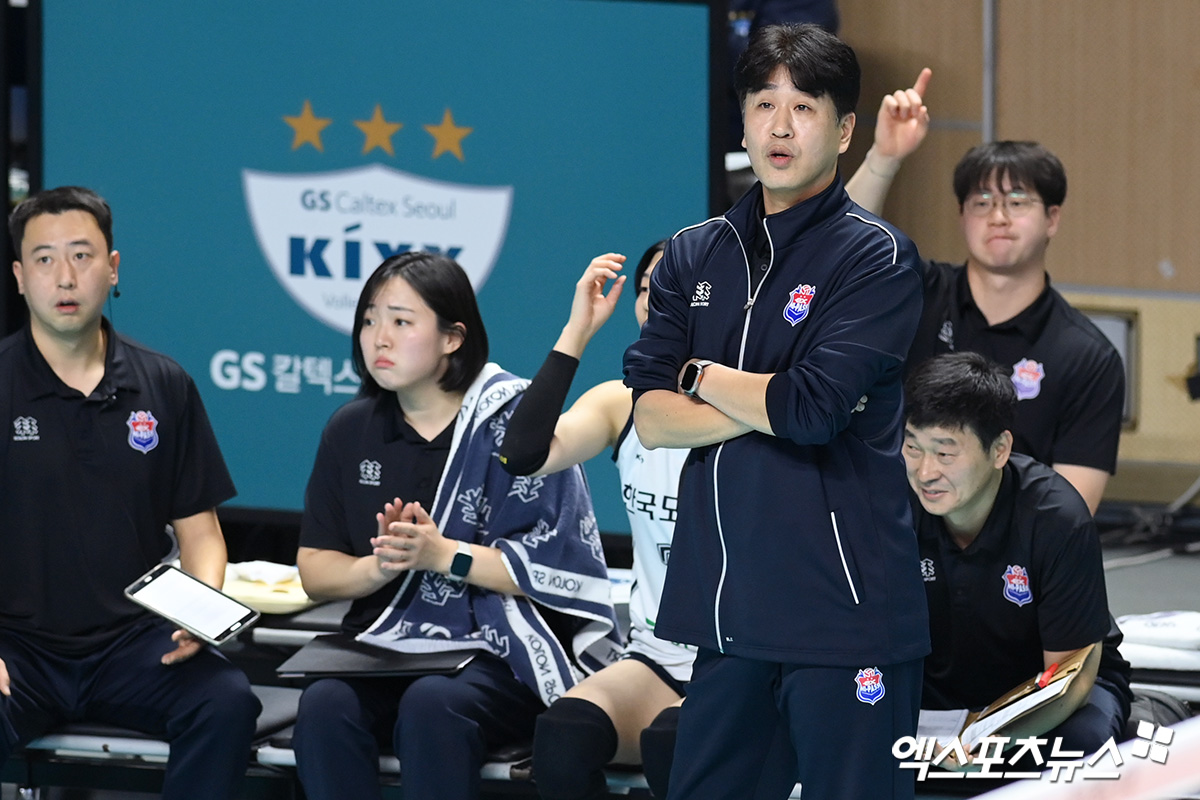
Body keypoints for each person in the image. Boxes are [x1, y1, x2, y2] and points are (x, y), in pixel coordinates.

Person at [622, 23, 930, 800]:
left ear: (845, 129)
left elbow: (812, 408)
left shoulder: (876, 257)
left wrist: (696, 374)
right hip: (729, 619)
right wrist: (762, 395)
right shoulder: (694, 253)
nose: (781, 126)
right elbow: (652, 419)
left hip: (847, 618)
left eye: (804, 106)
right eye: (764, 104)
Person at [292, 251, 624, 800]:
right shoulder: (350, 429)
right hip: (381, 641)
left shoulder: (516, 425)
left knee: (432, 704)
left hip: (496, 650)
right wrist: (381, 565)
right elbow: (315, 572)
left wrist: (441, 554)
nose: (379, 337)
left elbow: (556, 567)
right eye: (370, 319)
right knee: (325, 705)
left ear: (453, 337)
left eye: (401, 321)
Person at [0, 186, 260, 800]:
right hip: (18, 648)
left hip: (133, 643)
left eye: (82, 256)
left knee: (225, 701)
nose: (64, 276)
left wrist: (199, 614)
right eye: (44, 259)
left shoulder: (164, 384)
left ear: (112, 268)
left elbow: (201, 535)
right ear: (18, 277)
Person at [845, 73, 1124, 515]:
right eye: (981, 203)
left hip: (1006, 564)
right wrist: (884, 156)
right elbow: (844, 246)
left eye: (1016, 202)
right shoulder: (916, 293)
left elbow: (1070, 512)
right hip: (891, 537)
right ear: (962, 215)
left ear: (1052, 218)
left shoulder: (1087, 356)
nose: (997, 217)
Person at [497, 243, 695, 800]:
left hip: (740, 659)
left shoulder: (751, 406)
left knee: (674, 744)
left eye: (678, 287)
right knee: (561, 738)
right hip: (656, 655)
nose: (657, 300)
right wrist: (577, 331)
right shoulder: (620, 403)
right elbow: (521, 455)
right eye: (647, 288)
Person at [903, 352, 1131, 761]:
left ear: (1000, 449)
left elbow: (1069, 678)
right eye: (912, 447)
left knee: (1078, 749)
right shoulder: (890, 505)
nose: (924, 472)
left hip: (1044, 691)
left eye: (945, 453)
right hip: (929, 695)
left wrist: (984, 742)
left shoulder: (1057, 519)